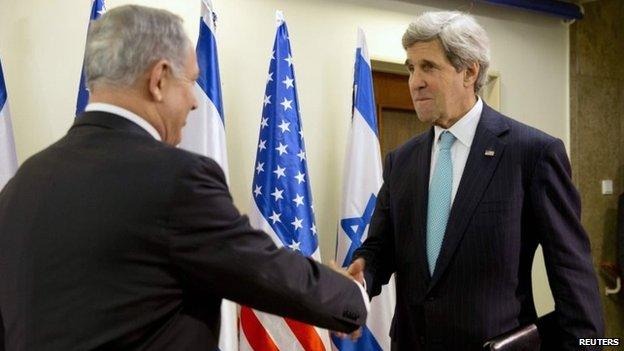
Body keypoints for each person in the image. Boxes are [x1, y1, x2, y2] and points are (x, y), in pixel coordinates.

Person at [0, 5, 368, 350]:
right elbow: (261, 269)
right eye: (190, 81)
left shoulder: (23, 184)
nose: (194, 101)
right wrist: (349, 296)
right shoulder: (175, 179)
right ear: (158, 79)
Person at [349, 11, 604, 351]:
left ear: (469, 71)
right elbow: (381, 248)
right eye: (411, 67)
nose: (415, 81)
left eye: (429, 67)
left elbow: (574, 280)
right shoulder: (401, 161)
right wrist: (361, 277)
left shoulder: (532, 154)